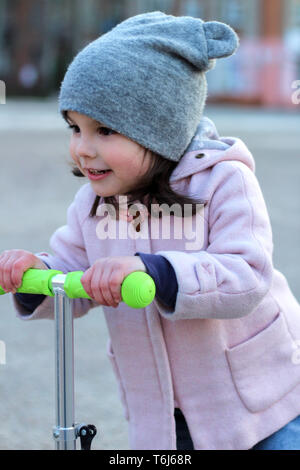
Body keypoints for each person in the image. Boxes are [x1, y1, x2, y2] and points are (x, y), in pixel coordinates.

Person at [0, 11, 300, 450]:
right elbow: (69, 268)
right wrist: (32, 275)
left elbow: (246, 273)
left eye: (104, 130)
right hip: (159, 409)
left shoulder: (224, 182)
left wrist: (157, 273)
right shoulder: (94, 203)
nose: (83, 149)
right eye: (75, 128)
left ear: (158, 130)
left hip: (260, 405)